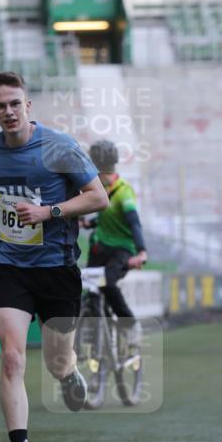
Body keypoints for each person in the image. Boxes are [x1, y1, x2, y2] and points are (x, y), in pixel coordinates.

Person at [0, 71, 108, 442]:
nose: (8, 112)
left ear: (28, 105)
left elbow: (98, 197)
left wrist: (49, 212)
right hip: (10, 266)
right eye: (0, 106)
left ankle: (69, 372)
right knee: (12, 358)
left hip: (57, 269)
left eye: (15, 104)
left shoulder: (59, 146)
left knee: (57, 361)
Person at [83, 139, 148, 355]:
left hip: (121, 250)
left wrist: (141, 251)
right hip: (99, 248)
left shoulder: (123, 192)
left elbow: (133, 222)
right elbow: (107, 216)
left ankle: (130, 325)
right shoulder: (100, 188)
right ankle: (97, 343)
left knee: (107, 283)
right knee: (91, 292)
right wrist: (89, 223)